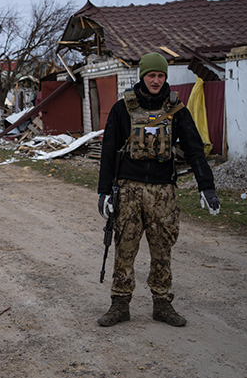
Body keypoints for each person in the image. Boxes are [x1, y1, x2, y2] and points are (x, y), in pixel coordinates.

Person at [96, 52, 221, 328]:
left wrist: (207, 187)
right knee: (125, 247)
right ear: (143, 76)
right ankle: (120, 303)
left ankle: (162, 303)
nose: (156, 80)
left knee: (162, 248)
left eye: (161, 75)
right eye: (151, 75)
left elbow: (195, 149)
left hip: (163, 192)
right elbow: (108, 151)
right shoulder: (121, 109)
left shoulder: (177, 110)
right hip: (128, 190)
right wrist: (104, 192)